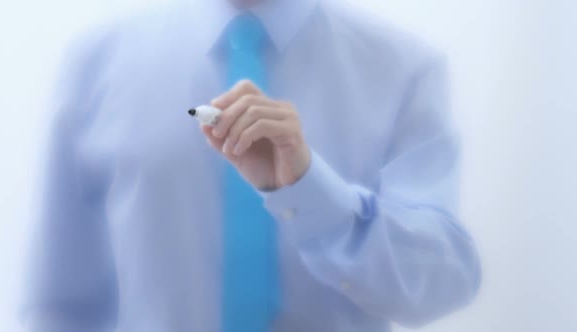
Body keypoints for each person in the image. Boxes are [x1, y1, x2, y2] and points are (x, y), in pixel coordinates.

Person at [24, 0, 481, 331]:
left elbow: (439, 285)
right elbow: (59, 302)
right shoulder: (96, 62)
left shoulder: (405, 70)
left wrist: (309, 190)